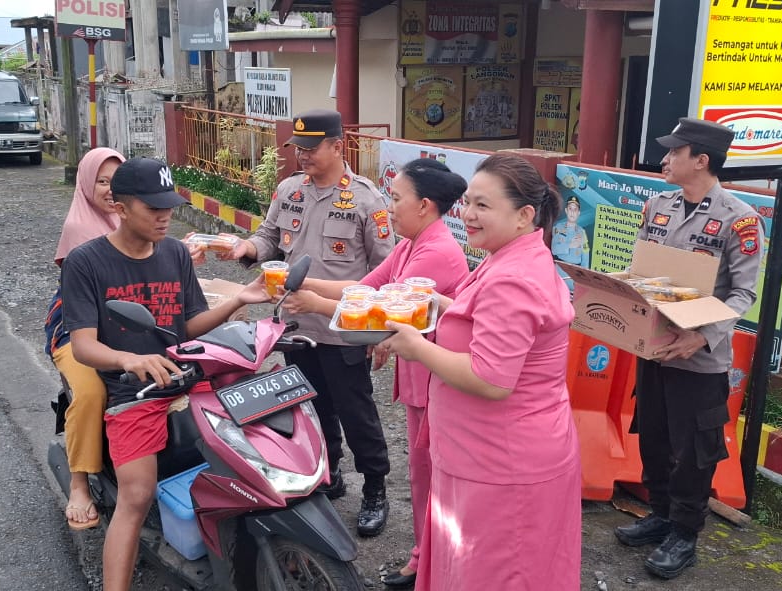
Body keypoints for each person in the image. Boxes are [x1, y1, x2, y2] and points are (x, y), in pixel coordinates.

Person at [61, 157, 270, 591]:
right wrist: (128, 361)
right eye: (152, 207)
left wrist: (238, 302)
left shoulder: (174, 252)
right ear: (120, 206)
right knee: (136, 497)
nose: (165, 215)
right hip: (133, 391)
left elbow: (186, 325)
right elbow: (82, 344)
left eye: (169, 205)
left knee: (259, 448)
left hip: (187, 376)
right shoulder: (87, 261)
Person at [376, 153, 581, 591]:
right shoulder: (507, 256)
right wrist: (441, 307)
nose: (466, 214)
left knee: (497, 572)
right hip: (485, 453)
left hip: (501, 463)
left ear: (525, 215)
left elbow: (491, 378)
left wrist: (416, 347)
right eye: (467, 202)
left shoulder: (514, 276)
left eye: (483, 206)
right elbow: (485, 320)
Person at [276, 158, 470, 589]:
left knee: (429, 472)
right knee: (422, 471)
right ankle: (426, 556)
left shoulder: (437, 251)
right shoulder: (410, 244)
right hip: (422, 376)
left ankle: (430, 561)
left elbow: (380, 314)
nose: (389, 205)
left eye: (397, 197)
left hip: (439, 379)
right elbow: (365, 288)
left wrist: (313, 304)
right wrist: (300, 283)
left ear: (425, 205)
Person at [219, 108, 397, 537]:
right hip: (294, 328)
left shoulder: (366, 199)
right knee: (310, 410)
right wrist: (247, 248)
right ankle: (329, 474)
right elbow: (268, 237)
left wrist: (379, 331)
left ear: (338, 147)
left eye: (311, 148)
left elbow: (386, 271)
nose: (302, 156)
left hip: (341, 329)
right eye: (297, 148)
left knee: (356, 412)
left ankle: (374, 487)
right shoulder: (289, 189)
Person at [614, 117, 762, 580]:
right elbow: (641, 271)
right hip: (655, 348)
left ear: (701, 160)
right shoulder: (657, 205)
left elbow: (743, 293)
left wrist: (701, 335)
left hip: (699, 358)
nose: (665, 160)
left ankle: (684, 532)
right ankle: (660, 513)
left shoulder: (740, 219)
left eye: (674, 153)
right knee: (654, 434)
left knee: (694, 448)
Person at [43, 147, 126, 530]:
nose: (110, 190)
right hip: (79, 327)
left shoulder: (134, 217)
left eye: (117, 181)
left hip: (130, 321)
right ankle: (80, 483)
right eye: (102, 181)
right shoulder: (81, 229)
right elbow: (98, 300)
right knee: (92, 391)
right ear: (85, 184)